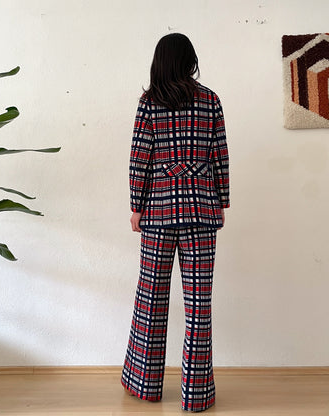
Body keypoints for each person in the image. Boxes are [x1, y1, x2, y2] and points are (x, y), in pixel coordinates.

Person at [121, 33, 230, 413]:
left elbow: (140, 157)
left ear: (160, 61)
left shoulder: (149, 103)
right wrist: (222, 200)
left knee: (151, 298)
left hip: (158, 213)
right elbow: (220, 154)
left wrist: (136, 206)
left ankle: (145, 385)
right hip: (202, 211)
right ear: (190, 60)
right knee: (199, 304)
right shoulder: (210, 100)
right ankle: (196, 395)